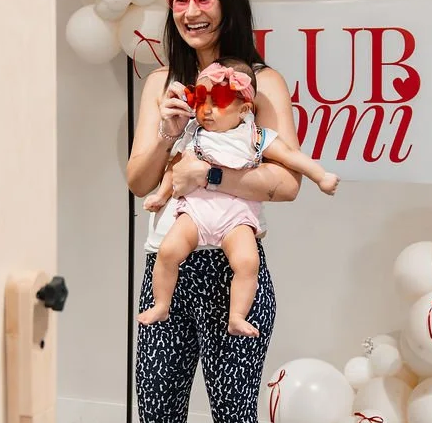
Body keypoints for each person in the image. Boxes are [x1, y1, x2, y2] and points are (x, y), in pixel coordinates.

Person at [127, 0, 305, 423]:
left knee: (234, 418)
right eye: (179, 0)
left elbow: (285, 183)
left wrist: (210, 177)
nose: (192, 11)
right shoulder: (162, 83)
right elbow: (141, 181)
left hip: (234, 270)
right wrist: (170, 133)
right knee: (160, 408)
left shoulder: (262, 82)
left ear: (228, 2)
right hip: (168, 266)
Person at [140, 58, 339, 336]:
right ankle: (162, 304)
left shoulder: (256, 136)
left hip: (236, 219)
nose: (207, 110)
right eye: (200, 99)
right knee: (168, 252)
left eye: (219, 101)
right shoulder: (193, 134)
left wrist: (321, 176)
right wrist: (161, 195)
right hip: (194, 214)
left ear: (245, 109)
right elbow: (175, 166)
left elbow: (292, 157)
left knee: (246, 262)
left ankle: (237, 316)